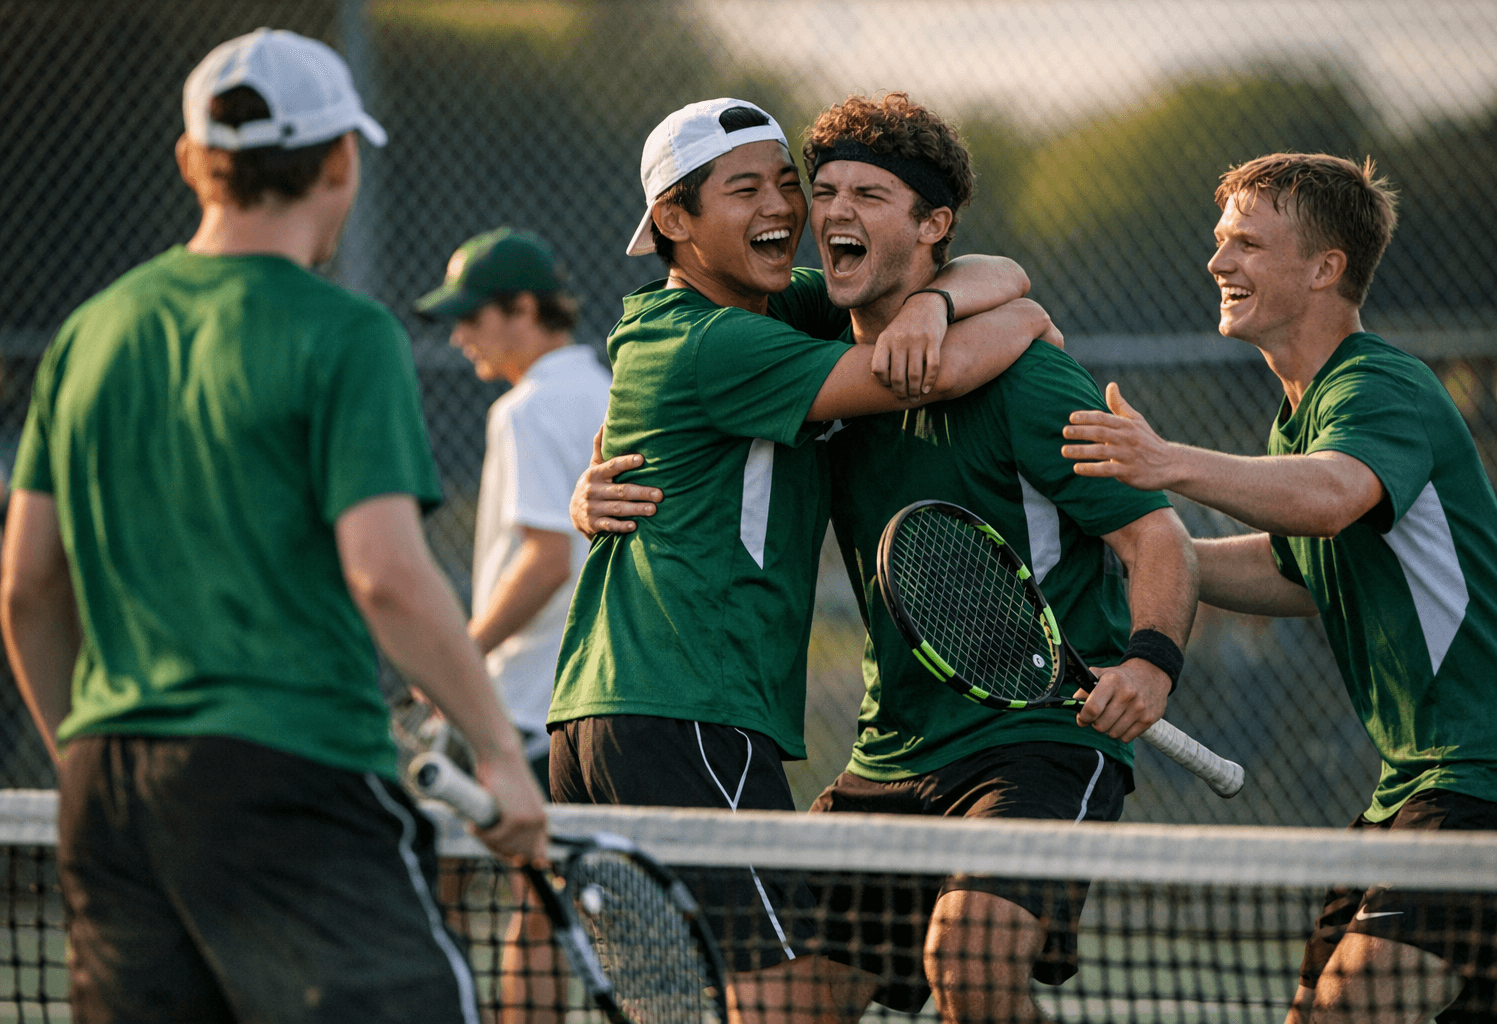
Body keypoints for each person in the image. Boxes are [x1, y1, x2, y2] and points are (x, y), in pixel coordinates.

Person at [0, 29, 545, 1024]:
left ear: (191, 164)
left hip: (107, 791)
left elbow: (27, 584)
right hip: (289, 766)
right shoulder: (346, 334)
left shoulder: (90, 331)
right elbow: (384, 572)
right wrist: (499, 751)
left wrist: (89, 748)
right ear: (342, 159)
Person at [550, 96, 1057, 1024]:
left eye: (790, 183)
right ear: (674, 222)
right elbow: (936, 370)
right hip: (685, 706)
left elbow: (988, 268)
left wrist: (943, 299)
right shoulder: (723, 340)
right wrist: (1023, 326)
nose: (783, 207)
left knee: (787, 997)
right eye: (744, 189)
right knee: (783, 1005)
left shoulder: (765, 306)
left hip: (615, 711)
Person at [1060, 152, 1497, 1023]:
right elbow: (1295, 569)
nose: (1218, 263)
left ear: (1325, 269)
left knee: (1352, 1004)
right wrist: (1156, 557)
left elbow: (1330, 498)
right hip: (1419, 782)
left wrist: (1166, 464)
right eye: (1219, 241)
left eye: (1246, 242)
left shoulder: (1378, 386)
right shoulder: (1302, 416)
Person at [795, 93, 1197, 1024]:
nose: (835, 211)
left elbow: (1156, 537)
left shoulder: (1027, 379)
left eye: (870, 193)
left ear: (934, 225)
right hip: (891, 748)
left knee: (970, 960)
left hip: (1038, 738)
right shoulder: (811, 355)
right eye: (824, 191)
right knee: (784, 999)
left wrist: (1151, 660)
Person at [415, 227, 609, 1024]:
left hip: (519, 701)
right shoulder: (605, 386)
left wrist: (454, 661)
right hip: (583, 698)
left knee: (439, 893)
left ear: (524, 309)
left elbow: (544, 562)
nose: (459, 335)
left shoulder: (525, 410)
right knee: (544, 910)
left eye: (473, 316)